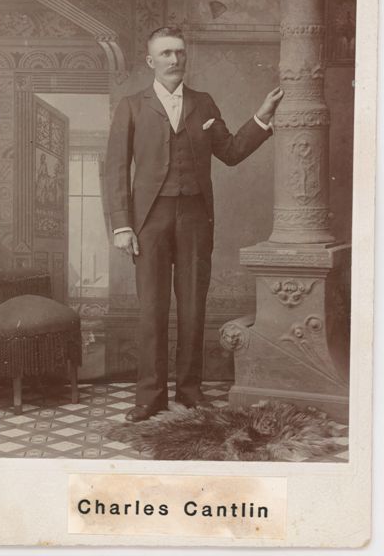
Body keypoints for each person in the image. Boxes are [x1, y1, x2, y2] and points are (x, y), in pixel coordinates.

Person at [105, 26, 283, 422]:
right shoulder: (132, 106)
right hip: (149, 220)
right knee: (152, 308)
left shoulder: (203, 103)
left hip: (195, 219)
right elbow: (115, 169)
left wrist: (262, 117)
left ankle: (189, 391)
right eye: (166, 53)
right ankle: (150, 397)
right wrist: (121, 225)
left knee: (192, 306)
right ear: (151, 61)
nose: (174, 60)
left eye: (179, 52)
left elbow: (230, 151)